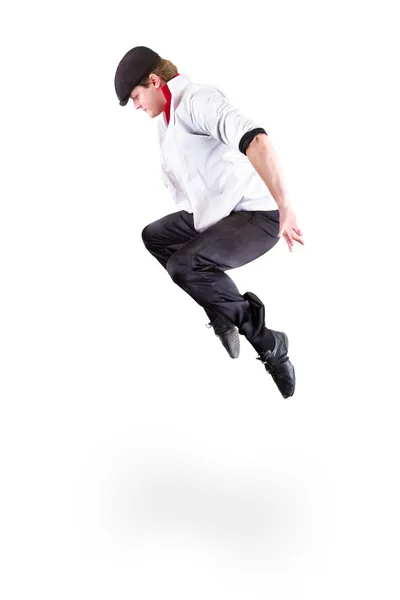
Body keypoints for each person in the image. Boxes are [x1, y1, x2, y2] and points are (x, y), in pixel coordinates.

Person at [114, 46, 304, 398]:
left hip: (258, 215)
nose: (137, 106)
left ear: (155, 81)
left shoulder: (198, 101)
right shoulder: (167, 121)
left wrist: (285, 205)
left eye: (137, 96)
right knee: (155, 237)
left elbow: (256, 139)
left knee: (183, 265)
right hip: (219, 213)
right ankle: (220, 311)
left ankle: (268, 341)